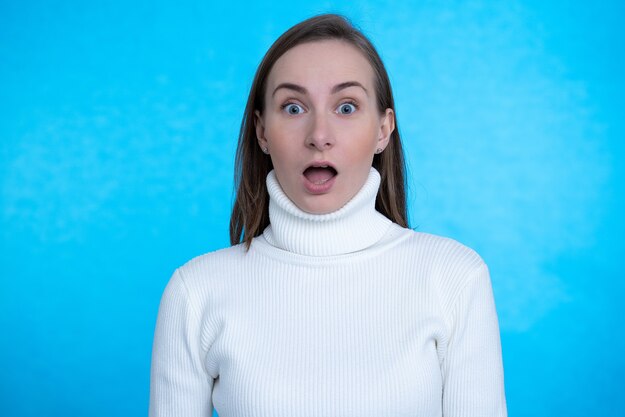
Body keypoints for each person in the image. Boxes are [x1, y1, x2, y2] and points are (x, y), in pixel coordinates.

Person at [149, 13, 507, 417]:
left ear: (383, 130)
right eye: (294, 107)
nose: (319, 135)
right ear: (262, 131)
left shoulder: (455, 278)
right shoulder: (195, 292)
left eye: (347, 106)